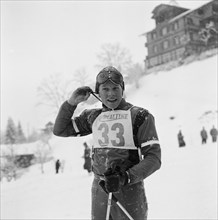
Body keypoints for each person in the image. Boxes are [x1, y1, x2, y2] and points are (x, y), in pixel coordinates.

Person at [53, 66, 161, 220]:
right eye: (105, 89)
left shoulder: (139, 116)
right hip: (100, 192)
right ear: (98, 92)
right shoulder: (93, 116)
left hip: (129, 191)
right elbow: (60, 130)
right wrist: (71, 103)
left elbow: (154, 159)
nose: (111, 94)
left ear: (122, 89)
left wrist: (126, 177)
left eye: (115, 88)